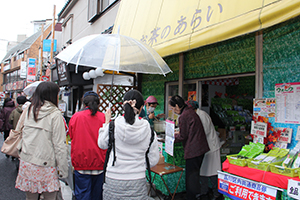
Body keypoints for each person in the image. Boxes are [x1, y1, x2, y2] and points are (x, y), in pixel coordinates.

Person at [98, 90, 159, 200]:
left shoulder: (113, 125)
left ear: (124, 106)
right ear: (141, 108)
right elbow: (153, 160)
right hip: (137, 180)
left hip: (113, 179)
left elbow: (102, 144)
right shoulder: (149, 130)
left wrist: (106, 123)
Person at [15, 82, 68, 200]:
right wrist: (63, 170)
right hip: (46, 164)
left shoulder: (28, 109)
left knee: (30, 198)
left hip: (27, 161)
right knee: (50, 197)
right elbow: (59, 145)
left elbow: (18, 131)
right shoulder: (55, 114)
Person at [169, 95, 210, 200]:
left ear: (177, 106)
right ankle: (196, 195)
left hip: (194, 150)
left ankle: (191, 197)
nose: (173, 111)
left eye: (173, 108)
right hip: (199, 148)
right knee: (194, 176)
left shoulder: (184, 116)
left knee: (191, 177)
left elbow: (183, 136)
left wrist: (171, 137)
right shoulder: (189, 111)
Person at [68, 91, 107, 200]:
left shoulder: (76, 117)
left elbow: (71, 136)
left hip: (81, 162)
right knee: (97, 195)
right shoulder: (104, 117)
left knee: (82, 194)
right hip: (100, 162)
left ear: (84, 103)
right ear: (98, 103)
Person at [186, 100, 222, 200]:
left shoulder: (202, 115)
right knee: (204, 171)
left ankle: (216, 193)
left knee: (213, 171)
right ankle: (204, 191)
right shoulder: (195, 115)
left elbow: (203, 131)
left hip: (211, 147)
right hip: (203, 148)